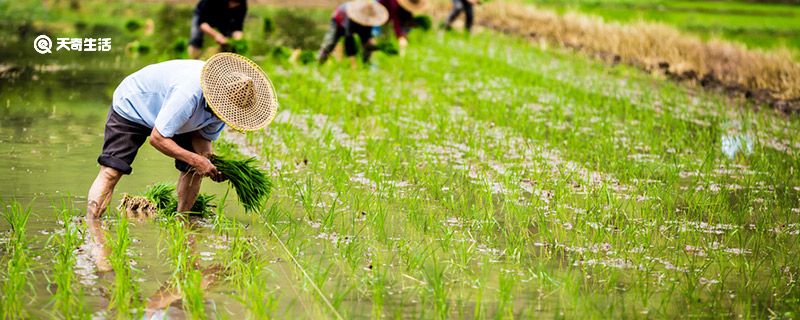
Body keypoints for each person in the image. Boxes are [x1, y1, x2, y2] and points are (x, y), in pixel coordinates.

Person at [85, 52, 278, 271]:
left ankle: (182, 223)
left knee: (194, 169)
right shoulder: (188, 94)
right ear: (214, 97)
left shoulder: (223, 110)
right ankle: (92, 230)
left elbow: (202, 141)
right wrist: (196, 159)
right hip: (135, 105)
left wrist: (210, 164)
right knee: (112, 171)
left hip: (179, 118)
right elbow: (158, 139)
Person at [317, 0, 389, 68]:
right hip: (339, 21)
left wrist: (379, 47)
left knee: (367, 43)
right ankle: (319, 63)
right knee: (331, 42)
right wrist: (353, 64)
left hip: (358, 21)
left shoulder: (369, 19)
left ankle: (366, 64)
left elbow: (366, 38)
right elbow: (348, 39)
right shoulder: (351, 16)